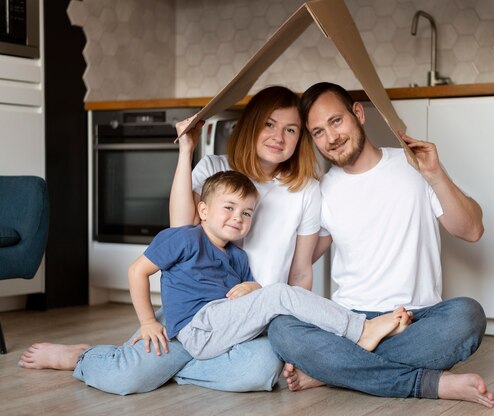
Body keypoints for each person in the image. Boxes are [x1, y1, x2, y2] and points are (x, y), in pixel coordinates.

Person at [18, 86, 323, 395]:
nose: (279, 136)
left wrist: (292, 330)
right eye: (269, 124)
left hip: (252, 320)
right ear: (251, 124)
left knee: (258, 372)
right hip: (193, 311)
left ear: (300, 138)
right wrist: (186, 150)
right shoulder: (215, 167)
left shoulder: (306, 190)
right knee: (126, 380)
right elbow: (181, 227)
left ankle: (162, 368)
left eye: (291, 129)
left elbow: (300, 271)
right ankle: (85, 355)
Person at [266, 82, 494, 408]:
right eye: (317, 132)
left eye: (336, 122)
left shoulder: (413, 166)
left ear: (358, 114)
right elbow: (298, 263)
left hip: (415, 319)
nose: (331, 138)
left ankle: (334, 369)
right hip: (350, 322)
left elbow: (472, 230)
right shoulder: (322, 190)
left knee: (468, 316)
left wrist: (436, 175)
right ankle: (425, 382)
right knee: (282, 329)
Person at [131, 170, 411, 360]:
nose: (237, 217)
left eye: (246, 213)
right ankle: (362, 329)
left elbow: (250, 298)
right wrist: (147, 322)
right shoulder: (183, 238)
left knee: (284, 316)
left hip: (223, 323)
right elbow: (137, 271)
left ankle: (342, 347)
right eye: (228, 207)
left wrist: (253, 287)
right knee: (278, 293)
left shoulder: (238, 257)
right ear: (203, 210)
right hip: (198, 329)